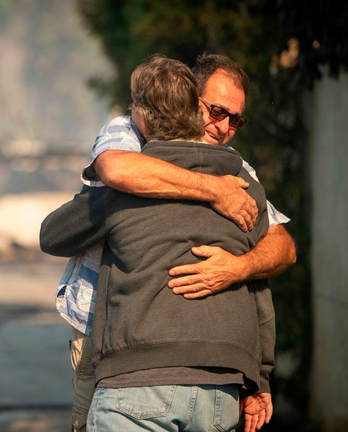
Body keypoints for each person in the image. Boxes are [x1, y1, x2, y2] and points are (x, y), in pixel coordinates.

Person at [57, 53, 293, 431]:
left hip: (191, 373)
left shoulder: (235, 167)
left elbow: (281, 245)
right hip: (106, 339)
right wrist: (213, 190)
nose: (225, 126)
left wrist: (238, 267)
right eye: (217, 111)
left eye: (236, 119)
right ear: (190, 98)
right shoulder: (132, 132)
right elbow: (117, 168)